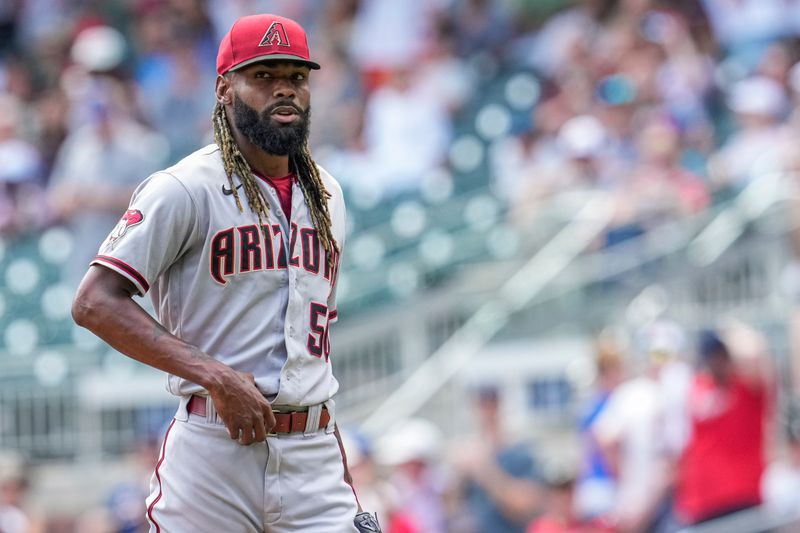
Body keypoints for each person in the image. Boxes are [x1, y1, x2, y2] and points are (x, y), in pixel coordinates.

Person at [71, 13, 380, 533]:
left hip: (312, 449)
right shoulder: (184, 187)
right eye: (262, 76)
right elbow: (94, 302)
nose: (284, 89)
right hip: (213, 450)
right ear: (223, 89)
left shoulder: (329, 193)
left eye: (296, 77)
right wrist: (212, 374)